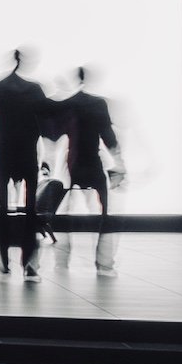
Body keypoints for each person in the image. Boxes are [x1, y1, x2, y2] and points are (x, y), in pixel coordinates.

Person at [0, 47, 49, 277]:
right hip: (26, 150)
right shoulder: (33, 90)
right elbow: (45, 124)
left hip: (5, 149)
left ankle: (5, 259)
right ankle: (29, 262)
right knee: (31, 209)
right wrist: (46, 157)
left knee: (3, 207)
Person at [50, 65, 123, 273]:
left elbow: (54, 134)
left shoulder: (68, 104)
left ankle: (61, 261)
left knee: (64, 210)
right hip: (92, 160)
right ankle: (104, 263)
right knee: (103, 211)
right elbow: (108, 136)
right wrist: (119, 162)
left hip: (72, 162)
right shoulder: (98, 104)